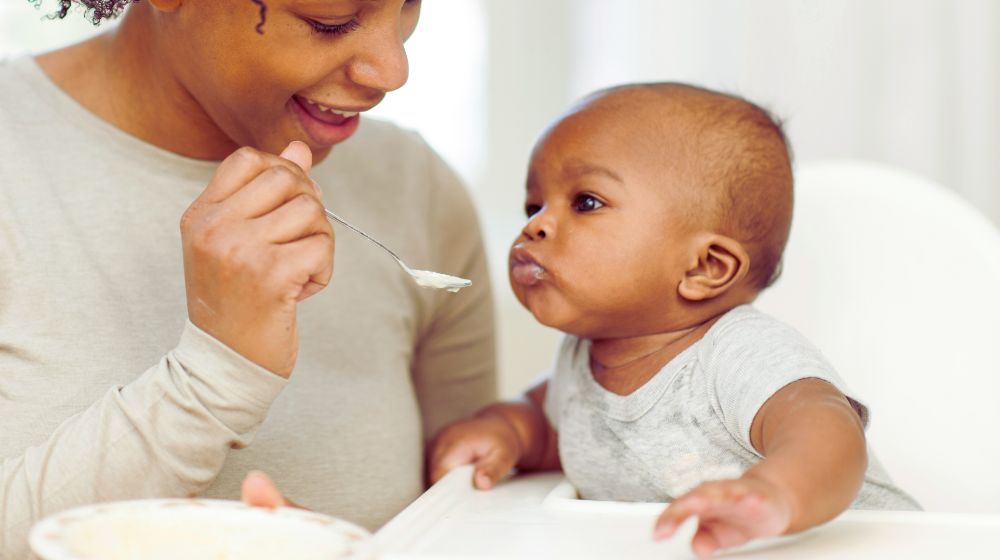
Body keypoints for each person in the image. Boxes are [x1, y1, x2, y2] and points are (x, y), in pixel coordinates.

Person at [0, 0, 496, 556]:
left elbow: (473, 513)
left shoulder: (415, 186)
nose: (392, 70)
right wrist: (217, 376)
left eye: (409, 4)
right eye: (329, 21)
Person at [427, 83, 919, 558]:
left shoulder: (737, 353)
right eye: (534, 205)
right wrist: (508, 432)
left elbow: (829, 433)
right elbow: (560, 431)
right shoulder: (583, 358)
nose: (535, 225)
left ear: (704, 267)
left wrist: (775, 494)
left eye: (586, 202)